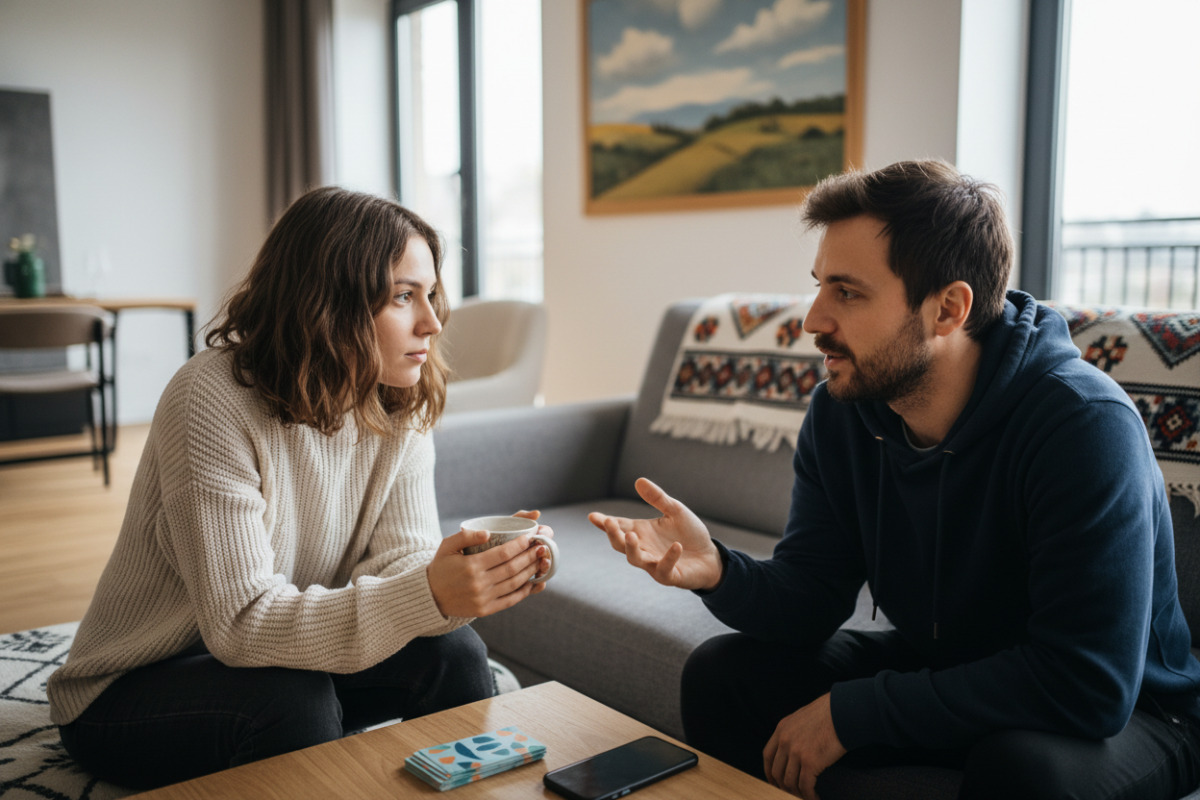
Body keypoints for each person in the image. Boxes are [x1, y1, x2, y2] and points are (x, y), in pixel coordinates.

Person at [589, 160, 1200, 800]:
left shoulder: (1082, 425)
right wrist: (716, 567)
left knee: (1026, 772)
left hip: (1138, 711)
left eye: (847, 293)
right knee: (723, 674)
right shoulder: (845, 409)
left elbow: (1088, 685)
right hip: (950, 665)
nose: (813, 320)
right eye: (820, 285)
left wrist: (854, 714)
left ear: (947, 309)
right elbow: (812, 596)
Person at [48, 186, 553, 789]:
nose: (433, 322)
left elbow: (403, 562)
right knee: (295, 704)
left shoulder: (401, 400)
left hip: (287, 654)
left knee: (458, 655)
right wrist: (428, 594)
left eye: (432, 295)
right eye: (402, 296)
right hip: (135, 686)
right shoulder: (209, 399)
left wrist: (464, 580)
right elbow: (239, 623)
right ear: (328, 301)